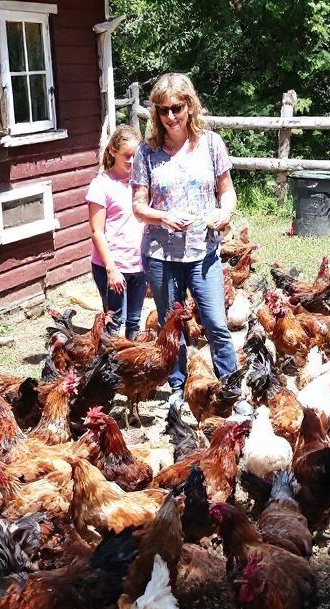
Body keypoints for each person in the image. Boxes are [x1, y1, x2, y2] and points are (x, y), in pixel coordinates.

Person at [131, 72, 247, 415]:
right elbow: (138, 206)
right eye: (163, 110)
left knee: (215, 322)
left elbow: (227, 191)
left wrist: (224, 212)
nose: (170, 116)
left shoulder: (211, 144)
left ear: (190, 107)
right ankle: (179, 388)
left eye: (177, 108)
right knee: (171, 326)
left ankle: (231, 389)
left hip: (203, 250)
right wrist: (162, 217)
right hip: (161, 253)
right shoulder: (146, 152)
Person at [86, 125, 147, 339]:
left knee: (134, 322)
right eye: (127, 156)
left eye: (135, 156)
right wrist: (111, 269)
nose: (132, 161)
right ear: (113, 151)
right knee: (114, 324)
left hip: (138, 263)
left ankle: (130, 370)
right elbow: (96, 231)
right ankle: (108, 369)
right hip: (112, 265)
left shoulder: (141, 182)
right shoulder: (101, 185)